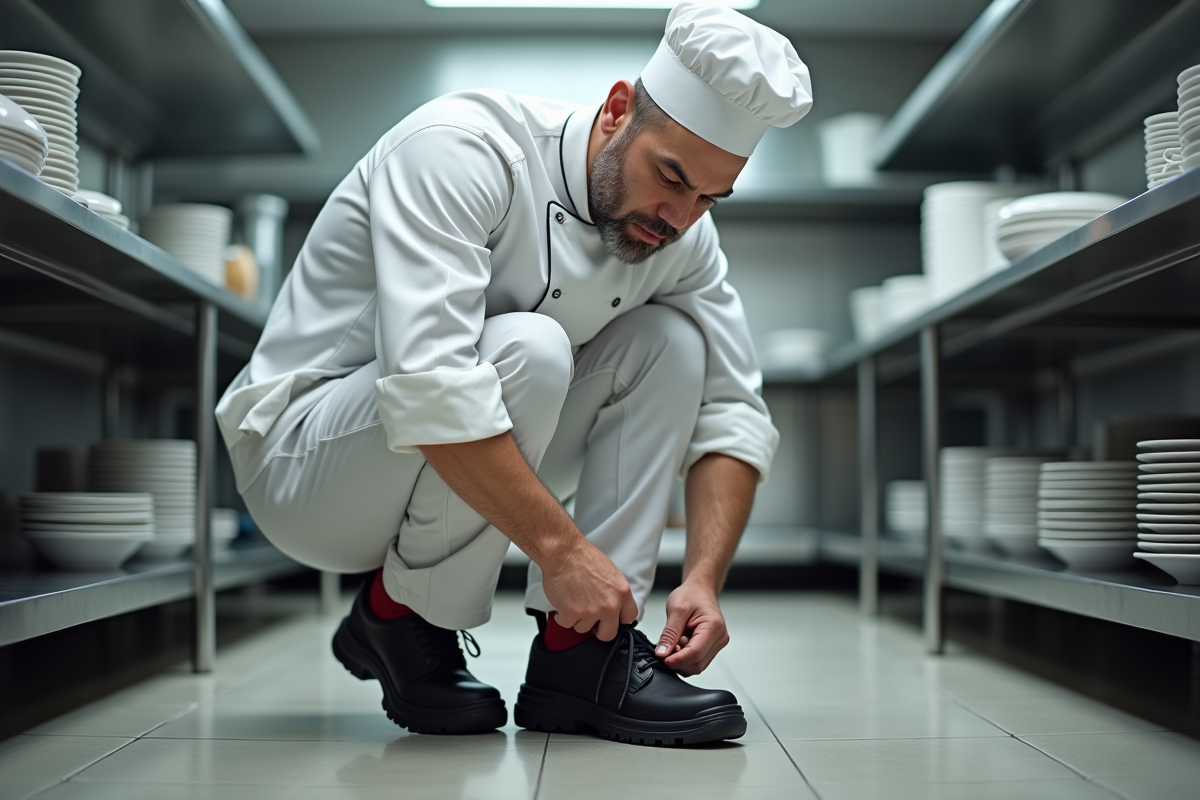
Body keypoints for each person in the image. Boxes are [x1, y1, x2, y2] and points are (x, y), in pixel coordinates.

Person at [215, 2, 812, 747]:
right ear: (618, 110)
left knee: (672, 342)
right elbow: (433, 386)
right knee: (530, 348)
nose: (680, 217)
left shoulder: (684, 232)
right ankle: (402, 617)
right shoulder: (462, 149)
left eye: (708, 199)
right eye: (670, 177)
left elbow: (733, 408)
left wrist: (703, 578)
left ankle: (580, 655)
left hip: (452, 466)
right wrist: (563, 553)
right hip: (303, 467)